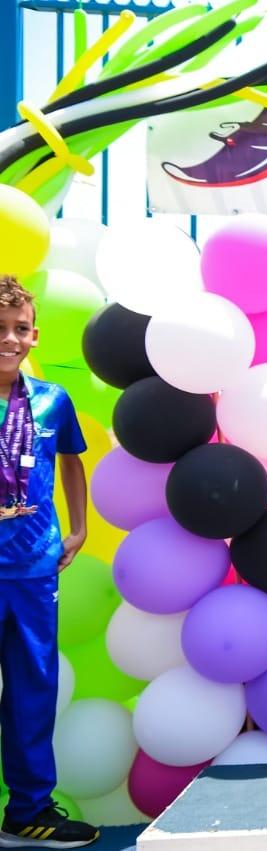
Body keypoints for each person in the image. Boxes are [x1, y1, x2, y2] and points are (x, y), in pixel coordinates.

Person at [0, 275, 98, 849]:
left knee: (32, 692)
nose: (10, 339)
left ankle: (29, 810)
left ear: (35, 336)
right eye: (0, 329)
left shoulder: (51, 400)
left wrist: (79, 527)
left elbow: (72, 460)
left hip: (34, 571)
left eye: (20, 329)